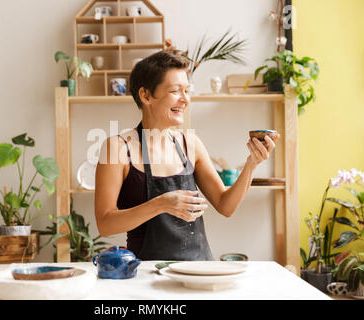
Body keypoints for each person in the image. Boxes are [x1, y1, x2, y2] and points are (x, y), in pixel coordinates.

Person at [94, 50, 279, 261]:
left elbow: (226, 206)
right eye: (175, 91)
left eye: (187, 91)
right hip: (148, 277)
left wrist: (251, 164)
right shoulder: (117, 148)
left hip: (199, 271)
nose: (185, 99)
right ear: (145, 95)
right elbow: (105, 224)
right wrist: (161, 203)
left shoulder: (190, 144)